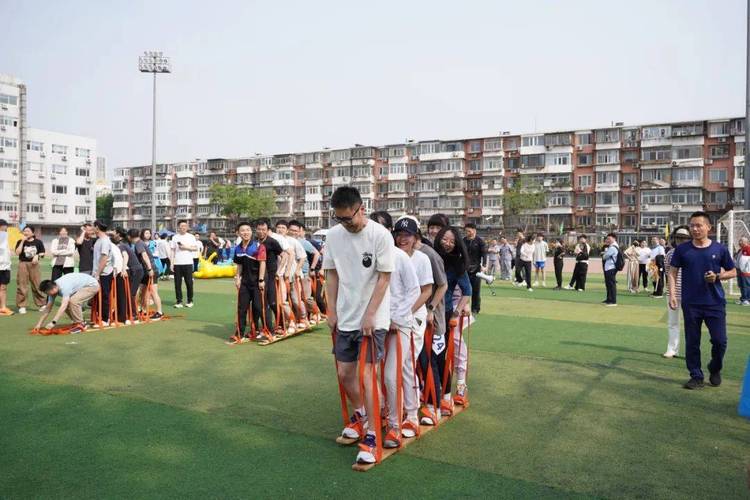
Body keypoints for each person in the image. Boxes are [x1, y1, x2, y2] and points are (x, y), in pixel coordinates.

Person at [323, 186, 394, 465]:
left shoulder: (380, 235)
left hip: (372, 320)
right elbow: (331, 275)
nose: (345, 224)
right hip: (345, 317)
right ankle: (361, 416)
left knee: (367, 377)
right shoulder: (333, 236)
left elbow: (384, 278)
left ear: (361, 208)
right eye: (339, 219)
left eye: (348, 218)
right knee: (344, 373)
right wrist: (331, 309)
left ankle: (374, 435)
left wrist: (370, 315)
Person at [669, 211, 736, 390]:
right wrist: (673, 295)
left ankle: (715, 368)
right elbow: (672, 271)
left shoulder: (719, 249)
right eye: (692, 226)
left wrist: (718, 276)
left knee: (720, 341)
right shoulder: (682, 250)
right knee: (692, 340)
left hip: (715, 302)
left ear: (708, 227)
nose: (695, 229)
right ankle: (696, 375)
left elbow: (733, 271)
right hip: (691, 303)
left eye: (699, 225)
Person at [377, 215, 421, 449]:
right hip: (376, 323)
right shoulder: (370, 256)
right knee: (379, 373)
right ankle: (381, 414)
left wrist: (397, 317)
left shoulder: (401, 257)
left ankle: (397, 423)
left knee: (393, 373)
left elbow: (415, 291)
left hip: (401, 323)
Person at [433, 226, 472, 420]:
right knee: (425, 357)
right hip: (424, 312)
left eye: (452, 241)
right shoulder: (430, 256)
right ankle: (430, 393)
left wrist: (455, 313)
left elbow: (467, 291)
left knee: (443, 356)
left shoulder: (457, 264)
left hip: (444, 313)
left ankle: (449, 392)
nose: (447, 243)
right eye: (444, 239)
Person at [232, 222, 267, 342]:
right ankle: (239, 333)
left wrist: (261, 280)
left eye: (247, 230)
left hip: (257, 283)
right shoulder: (237, 248)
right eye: (242, 230)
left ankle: (260, 330)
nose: (245, 232)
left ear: (251, 232)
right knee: (242, 308)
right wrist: (238, 278)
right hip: (245, 283)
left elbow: (262, 263)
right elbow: (239, 265)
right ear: (238, 233)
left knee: (258, 307)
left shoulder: (258, 246)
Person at [34, 273, 100, 334]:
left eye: (47, 293)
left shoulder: (64, 287)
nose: (47, 295)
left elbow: (63, 306)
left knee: (73, 301)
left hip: (92, 286)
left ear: (52, 289)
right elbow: (48, 308)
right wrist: (39, 324)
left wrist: (53, 322)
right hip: (83, 286)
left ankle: (81, 324)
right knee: (69, 302)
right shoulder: (54, 288)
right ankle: (76, 322)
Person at [663, 226, 691, 358]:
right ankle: (672, 349)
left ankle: (690, 351)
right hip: (673, 293)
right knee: (673, 322)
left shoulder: (693, 253)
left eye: (685, 238)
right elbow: (669, 274)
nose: (681, 240)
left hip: (690, 293)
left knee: (691, 324)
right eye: (679, 237)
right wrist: (670, 293)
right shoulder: (670, 254)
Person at [255, 218, 285, 333]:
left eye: (264, 229)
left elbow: (284, 255)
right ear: (256, 230)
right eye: (259, 229)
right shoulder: (254, 242)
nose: (261, 231)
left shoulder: (272, 242)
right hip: (258, 276)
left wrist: (280, 270)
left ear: (268, 230)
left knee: (272, 302)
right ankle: (264, 327)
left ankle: (281, 324)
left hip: (271, 275)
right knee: (260, 303)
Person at [288, 220, 321, 324]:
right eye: (291, 230)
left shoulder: (303, 242)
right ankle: (300, 318)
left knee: (306, 298)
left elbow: (317, 253)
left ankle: (316, 313)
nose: (293, 232)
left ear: (299, 232)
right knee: (295, 299)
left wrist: (312, 269)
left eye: (296, 231)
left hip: (304, 273)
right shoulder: (286, 241)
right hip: (292, 275)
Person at [129, 229, 163, 321]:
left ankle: (159, 312)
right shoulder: (140, 243)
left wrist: (149, 269)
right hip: (145, 271)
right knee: (142, 290)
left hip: (150, 270)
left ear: (130, 237)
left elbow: (145, 256)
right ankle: (143, 309)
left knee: (153, 291)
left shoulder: (139, 244)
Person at [15, 225, 46, 314]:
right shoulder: (20, 241)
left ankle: (42, 304)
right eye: (24, 231)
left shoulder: (38, 242)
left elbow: (42, 252)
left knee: (37, 284)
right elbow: (17, 252)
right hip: (23, 264)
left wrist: (37, 255)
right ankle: (22, 306)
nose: (26, 232)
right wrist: (22, 242)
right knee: (22, 284)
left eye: (28, 231)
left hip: (34, 265)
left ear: (32, 233)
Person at [115, 228, 142, 323]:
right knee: (129, 293)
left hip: (136, 270)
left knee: (131, 294)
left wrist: (123, 268)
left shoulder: (121, 245)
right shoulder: (125, 244)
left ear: (119, 235)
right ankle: (129, 313)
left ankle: (134, 315)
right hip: (135, 270)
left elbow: (125, 256)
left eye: (115, 233)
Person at [170, 220, 198, 308]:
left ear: (187, 227)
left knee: (189, 283)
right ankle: (179, 301)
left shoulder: (191, 237)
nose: (183, 227)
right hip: (177, 263)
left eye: (185, 226)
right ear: (178, 227)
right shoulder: (175, 237)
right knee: (177, 283)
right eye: (181, 226)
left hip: (188, 263)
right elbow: (172, 250)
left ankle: (190, 300)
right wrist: (171, 263)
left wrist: (185, 247)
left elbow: (195, 248)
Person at [92, 221, 115, 326]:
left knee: (104, 295)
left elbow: (104, 258)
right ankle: (99, 316)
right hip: (98, 272)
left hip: (104, 273)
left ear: (97, 227)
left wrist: (98, 273)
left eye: (93, 226)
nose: (92, 228)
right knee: (97, 295)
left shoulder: (105, 241)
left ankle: (105, 319)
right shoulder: (98, 240)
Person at [463, 223, 486, 314]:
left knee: (476, 290)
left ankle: (475, 309)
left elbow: (484, 254)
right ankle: (464, 307)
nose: (467, 233)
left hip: (476, 269)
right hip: (465, 269)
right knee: (464, 289)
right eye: (466, 231)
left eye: (469, 231)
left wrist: (484, 265)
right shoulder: (463, 240)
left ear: (474, 230)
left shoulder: (480, 241)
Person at [602, 233, 619, 306]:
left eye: (609, 238)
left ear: (614, 238)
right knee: (608, 284)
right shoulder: (611, 246)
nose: (608, 240)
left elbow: (605, 256)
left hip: (611, 267)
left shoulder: (613, 247)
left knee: (611, 284)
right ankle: (609, 299)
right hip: (609, 267)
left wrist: (604, 254)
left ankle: (613, 301)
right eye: (607, 238)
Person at [0, 219, 12, 316]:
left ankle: (3, 307)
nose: (6, 227)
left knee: (3, 287)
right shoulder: (4, 235)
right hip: (1, 265)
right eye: (5, 226)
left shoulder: (6, 235)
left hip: (6, 266)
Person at [734, 236, 750, 305]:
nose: (739, 242)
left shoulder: (748, 249)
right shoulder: (740, 250)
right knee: (741, 285)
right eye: (739, 241)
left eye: (741, 241)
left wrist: (746, 269)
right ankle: (743, 298)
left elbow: (746, 261)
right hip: (739, 271)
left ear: (745, 242)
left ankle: (747, 300)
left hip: (745, 272)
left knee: (746, 285)